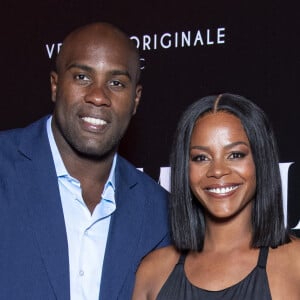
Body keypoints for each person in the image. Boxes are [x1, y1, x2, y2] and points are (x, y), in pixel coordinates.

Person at [0, 22, 170, 300]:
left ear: (136, 100)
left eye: (116, 83)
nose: (98, 96)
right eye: (82, 77)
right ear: (55, 85)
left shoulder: (160, 215)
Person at [132, 93, 300, 299]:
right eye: (201, 157)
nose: (218, 171)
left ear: (260, 160)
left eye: (235, 155)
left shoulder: (295, 264)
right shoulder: (152, 272)